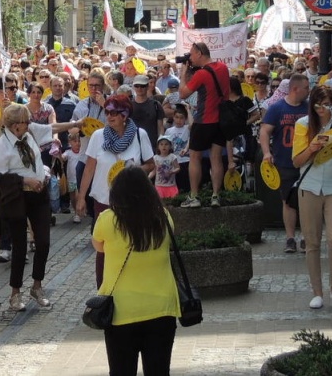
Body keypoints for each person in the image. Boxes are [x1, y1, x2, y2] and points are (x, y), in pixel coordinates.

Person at [92, 166, 180, 376]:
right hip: (162, 308)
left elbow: (99, 247)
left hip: (121, 311)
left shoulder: (107, 219)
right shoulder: (163, 217)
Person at [76, 95, 155, 287]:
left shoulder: (139, 135)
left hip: (131, 200)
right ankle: (103, 292)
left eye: (114, 112)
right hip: (103, 199)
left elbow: (151, 165)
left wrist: (132, 168)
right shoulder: (98, 136)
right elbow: (89, 168)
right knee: (104, 248)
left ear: (125, 115)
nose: (109, 116)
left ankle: (130, 286)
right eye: (107, 112)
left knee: (130, 242)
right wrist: (81, 197)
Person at [291, 85, 332, 309]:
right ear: (312, 104)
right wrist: (312, 148)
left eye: (327, 104)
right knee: (312, 242)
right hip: (309, 187)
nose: (323, 108)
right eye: (319, 104)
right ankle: (317, 292)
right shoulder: (303, 125)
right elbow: (297, 161)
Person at [0, 104, 52, 311]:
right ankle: (15, 293)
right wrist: (26, 180)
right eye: (26, 121)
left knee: (43, 242)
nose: (29, 124)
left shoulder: (29, 137)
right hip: (18, 197)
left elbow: (36, 162)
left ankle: (37, 286)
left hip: (39, 194)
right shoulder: (2, 144)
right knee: (20, 246)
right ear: (15, 125)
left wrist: (44, 174)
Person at [260, 73, 310, 253]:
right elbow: (264, 131)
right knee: (287, 201)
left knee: (307, 200)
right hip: (284, 161)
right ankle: (290, 238)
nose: (308, 91)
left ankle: (306, 236)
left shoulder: (309, 107)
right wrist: (267, 152)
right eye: (306, 88)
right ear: (296, 89)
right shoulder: (277, 108)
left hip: (306, 162)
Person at [179, 42, 230, 208]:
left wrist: (184, 73)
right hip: (221, 121)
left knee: (195, 157)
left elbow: (183, 94)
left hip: (204, 120)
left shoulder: (201, 74)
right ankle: (216, 195)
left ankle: (194, 196)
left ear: (200, 53)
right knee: (216, 158)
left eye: (192, 54)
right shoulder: (223, 67)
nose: (191, 57)